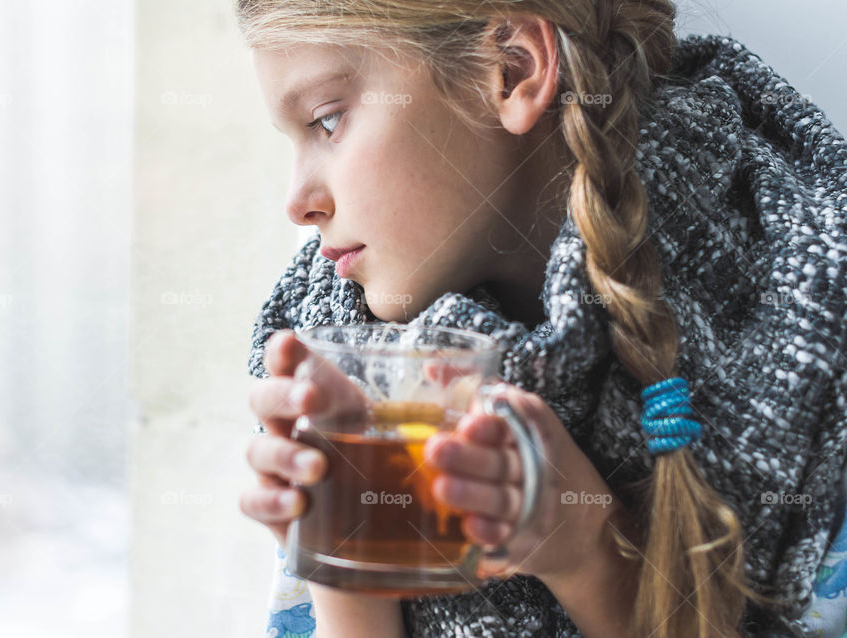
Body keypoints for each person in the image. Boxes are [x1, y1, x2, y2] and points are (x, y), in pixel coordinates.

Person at [236, 1, 847, 636]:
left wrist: (586, 549)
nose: (297, 203)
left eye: (328, 121)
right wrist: (345, 558)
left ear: (512, 69)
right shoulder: (345, 363)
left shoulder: (814, 326)